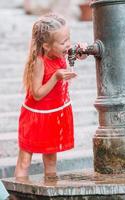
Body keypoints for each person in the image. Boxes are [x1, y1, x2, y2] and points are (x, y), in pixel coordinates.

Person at [14, 12, 86, 179]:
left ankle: (51, 192)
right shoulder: (40, 61)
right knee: (25, 160)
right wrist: (56, 77)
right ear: (46, 46)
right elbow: (37, 94)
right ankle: (16, 196)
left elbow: (77, 54)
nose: (68, 44)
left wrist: (82, 51)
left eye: (69, 38)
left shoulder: (61, 51)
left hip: (53, 116)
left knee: (51, 160)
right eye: (63, 42)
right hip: (35, 117)